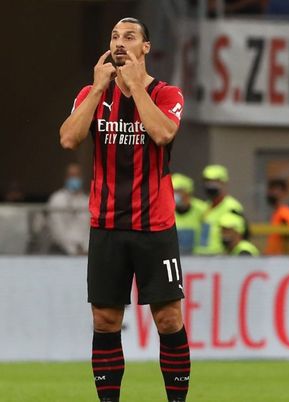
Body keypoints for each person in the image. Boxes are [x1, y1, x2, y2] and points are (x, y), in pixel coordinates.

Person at [58, 18, 190, 402]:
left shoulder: (167, 93)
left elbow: (163, 133)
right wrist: (100, 87)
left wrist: (135, 87)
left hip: (155, 227)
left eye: (129, 37)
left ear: (145, 48)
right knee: (105, 320)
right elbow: (69, 138)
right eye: (115, 36)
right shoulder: (92, 93)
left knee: (168, 320)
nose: (120, 42)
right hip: (107, 225)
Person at [194, 164, 249, 255]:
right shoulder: (206, 206)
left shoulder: (232, 207)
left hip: (220, 256)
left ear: (223, 183)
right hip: (202, 256)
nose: (210, 185)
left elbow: (243, 234)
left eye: (215, 181)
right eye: (207, 181)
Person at [47, 163, 91, 255]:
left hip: (85, 251)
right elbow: (57, 229)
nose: (74, 178)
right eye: (71, 175)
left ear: (81, 178)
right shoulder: (57, 199)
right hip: (62, 251)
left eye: (77, 175)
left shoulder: (87, 200)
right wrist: (72, 250)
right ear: (66, 178)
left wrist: (85, 248)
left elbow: (89, 228)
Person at [172, 173, 208, 255]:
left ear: (187, 192)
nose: (174, 194)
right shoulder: (167, 210)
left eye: (178, 191)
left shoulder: (202, 209)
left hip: (198, 257)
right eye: (173, 191)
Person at [265, 178, 289, 255]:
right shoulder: (277, 212)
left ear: (283, 192)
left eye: (275, 190)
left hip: (281, 259)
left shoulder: (284, 213)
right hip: (275, 258)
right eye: (270, 189)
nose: (271, 193)